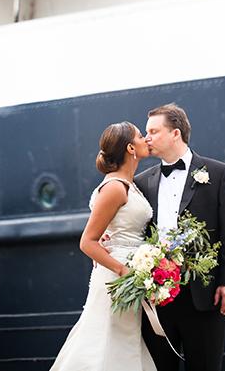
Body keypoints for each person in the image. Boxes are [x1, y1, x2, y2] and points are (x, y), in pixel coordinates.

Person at [135, 103, 225, 371]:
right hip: (157, 297)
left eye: (153, 131)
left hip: (205, 296)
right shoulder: (141, 181)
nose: (146, 138)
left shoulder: (219, 173)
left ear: (176, 133)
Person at [48, 121, 157, 371]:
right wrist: (124, 271)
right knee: (106, 341)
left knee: (121, 342)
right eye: (141, 136)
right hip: (118, 277)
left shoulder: (128, 184)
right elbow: (87, 241)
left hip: (127, 272)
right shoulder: (115, 188)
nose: (146, 139)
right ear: (130, 148)